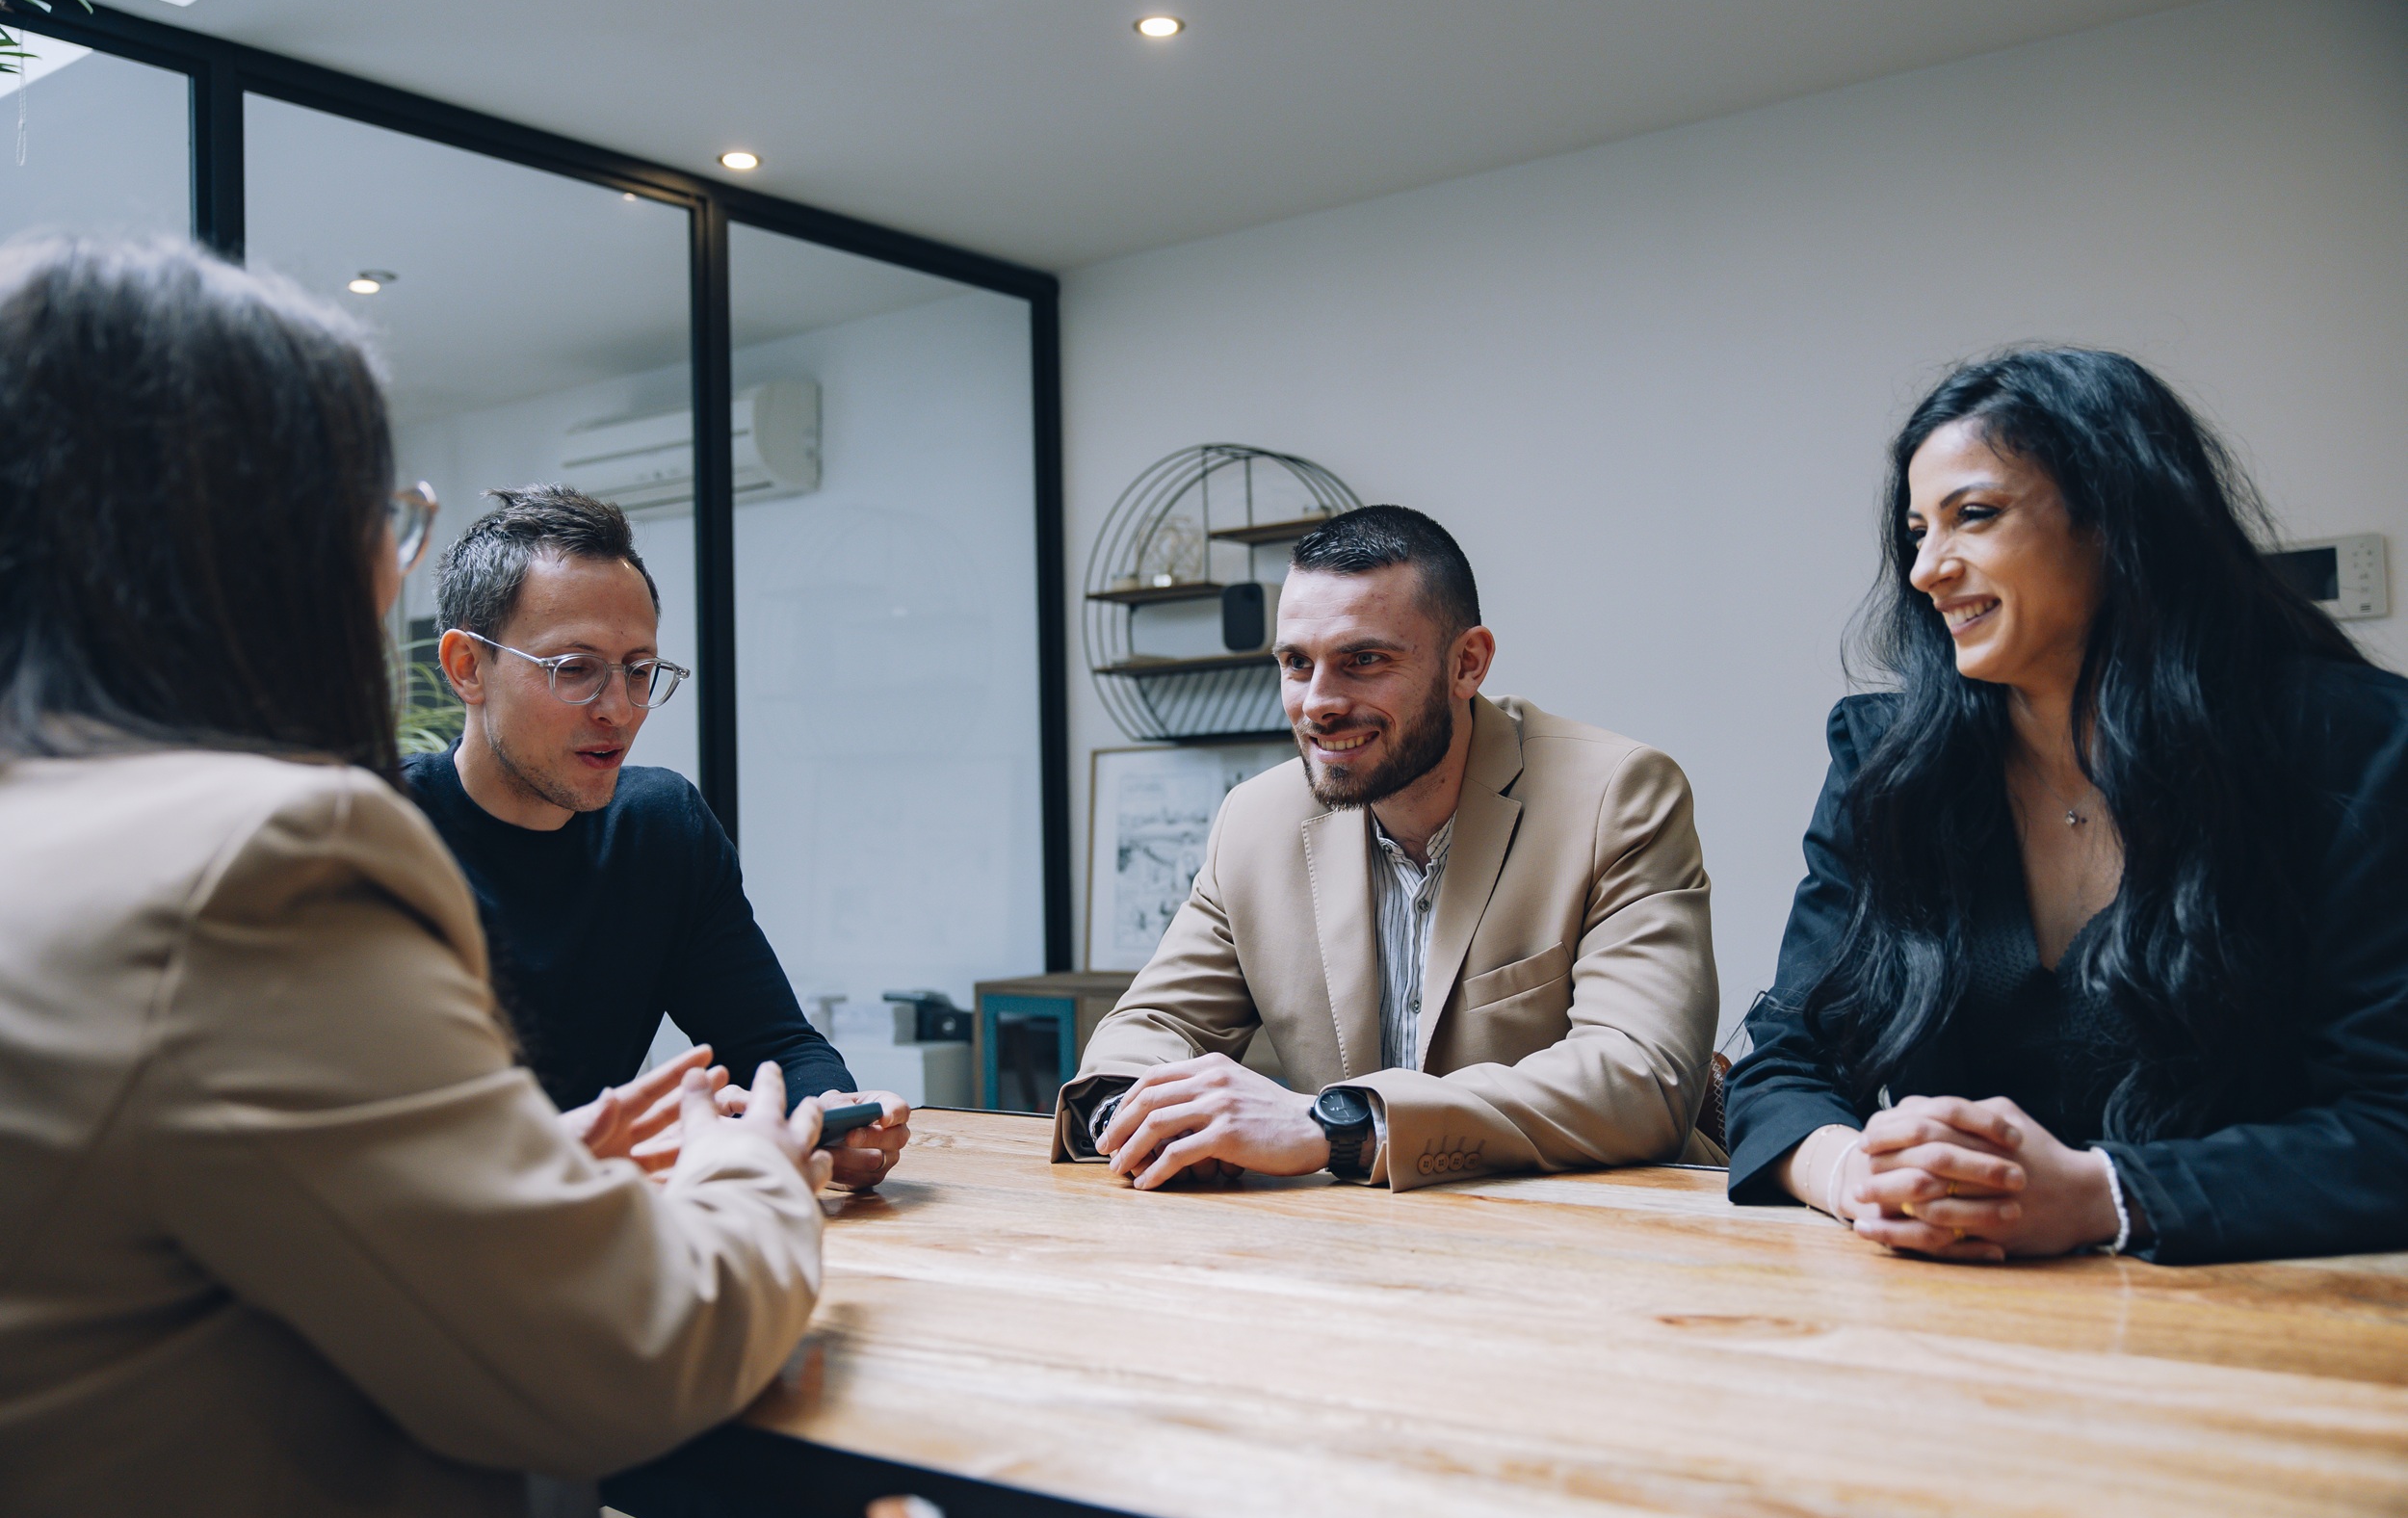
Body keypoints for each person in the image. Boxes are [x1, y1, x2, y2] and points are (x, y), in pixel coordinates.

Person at [0, 237, 836, 1518]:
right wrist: (752, 1166)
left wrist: (527, 1164)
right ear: (252, 544)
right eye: (378, 518)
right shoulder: (275, 863)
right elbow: (625, 1345)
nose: (387, 566)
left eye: (639, 669)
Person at [1724, 347, 2408, 1265]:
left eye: (1974, 516)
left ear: (2117, 520)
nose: (1926, 569)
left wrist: (2104, 1196)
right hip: (1944, 1305)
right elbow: (1781, 1063)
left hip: (2266, 1315)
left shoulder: (2356, 745)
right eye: (1918, 531)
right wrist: (1855, 1174)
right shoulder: (1884, 762)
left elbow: (2390, 1123)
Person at [1055, 505, 1721, 1190]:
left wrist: (1335, 1126)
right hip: (1356, 1238)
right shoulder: (1255, 821)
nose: (1318, 703)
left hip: (1592, 1229)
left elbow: (1642, 1075)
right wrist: (1138, 1116)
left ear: (1467, 664)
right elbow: (1151, 1023)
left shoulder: (1617, 796)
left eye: (1364, 660)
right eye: (1296, 663)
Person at [406, 485, 910, 1195]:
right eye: (574, 669)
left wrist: (826, 1115)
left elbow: (774, 1043)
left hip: (609, 1228)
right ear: (467, 667)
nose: (619, 710)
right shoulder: (374, 833)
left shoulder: (659, 829)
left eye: (640, 670)